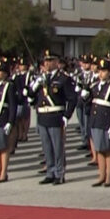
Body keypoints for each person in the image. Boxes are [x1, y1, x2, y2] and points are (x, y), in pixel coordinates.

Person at [33, 50, 77, 186]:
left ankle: (59, 173)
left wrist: (67, 116)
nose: (46, 63)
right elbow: (34, 97)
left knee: (57, 147)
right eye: (45, 61)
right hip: (43, 116)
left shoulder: (64, 79)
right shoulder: (41, 79)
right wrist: (33, 88)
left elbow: (72, 98)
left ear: (57, 62)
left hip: (56, 116)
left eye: (50, 61)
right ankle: (50, 172)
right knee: (46, 147)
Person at [88, 59, 110, 187]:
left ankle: (108, 177)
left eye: (104, 71)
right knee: (99, 150)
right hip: (96, 120)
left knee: (108, 150)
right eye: (100, 71)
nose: (101, 73)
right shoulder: (94, 86)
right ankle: (101, 175)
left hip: (107, 121)